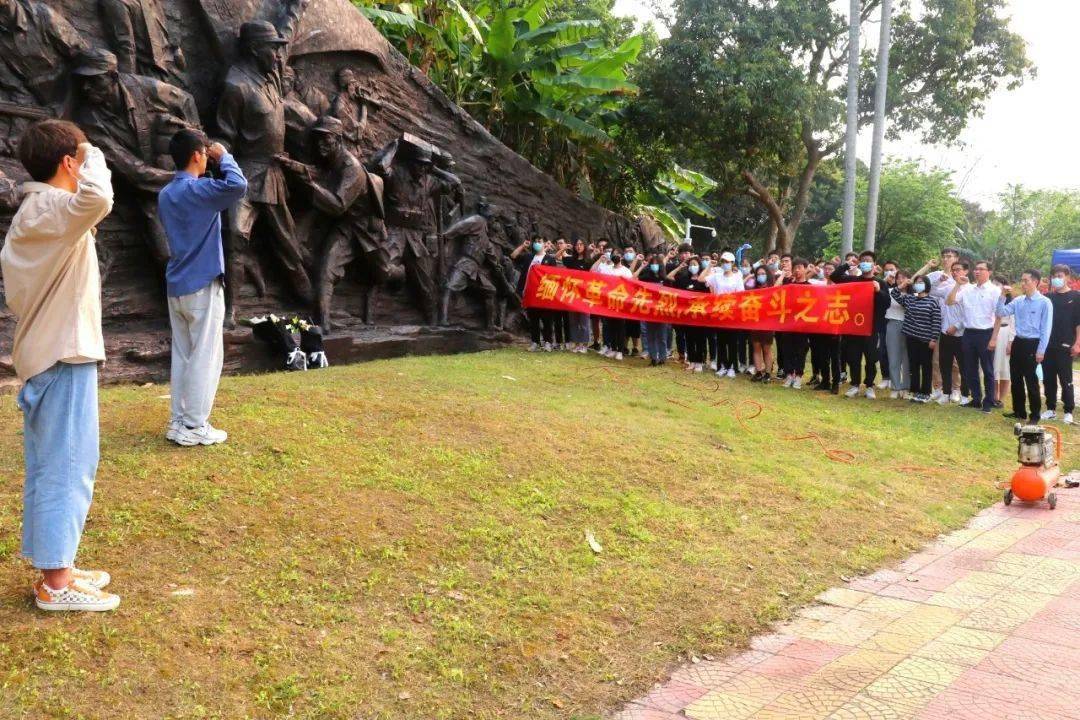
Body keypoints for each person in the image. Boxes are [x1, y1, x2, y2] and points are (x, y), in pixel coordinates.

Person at [1, 120, 119, 611]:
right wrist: (91, 153)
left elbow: (89, 207)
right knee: (66, 466)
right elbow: (99, 200)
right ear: (69, 162)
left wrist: (80, 155)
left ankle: (58, 562)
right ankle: (56, 584)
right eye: (80, 155)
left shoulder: (44, 211)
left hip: (52, 352)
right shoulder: (50, 207)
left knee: (58, 463)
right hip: (61, 354)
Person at [158, 129, 247, 446]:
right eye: (205, 152)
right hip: (202, 283)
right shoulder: (201, 191)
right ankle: (195, 425)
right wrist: (225, 157)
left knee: (183, 355)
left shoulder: (166, 193)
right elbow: (238, 185)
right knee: (205, 356)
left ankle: (178, 421)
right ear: (198, 155)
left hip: (177, 283)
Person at [996, 270, 1053, 423]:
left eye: (1026, 280)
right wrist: (1002, 296)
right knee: (1015, 378)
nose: (1023, 284)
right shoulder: (1018, 300)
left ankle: (1035, 415)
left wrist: (1041, 350)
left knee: (1031, 380)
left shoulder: (1044, 302)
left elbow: (1046, 329)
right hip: (1019, 342)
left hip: (1033, 343)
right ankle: (1019, 411)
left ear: (1036, 282)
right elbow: (1000, 311)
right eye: (1021, 280)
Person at [947, 260, 1003, 413]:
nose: (977, 272)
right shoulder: (968, 289)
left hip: (986, 333)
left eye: (981, 269)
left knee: (988, 369)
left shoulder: (995, 291)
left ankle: (988, 401)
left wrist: (994, 338)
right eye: (976, 269)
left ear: (989, 272)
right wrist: (958, 284)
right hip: (969, 333)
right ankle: (976, 399)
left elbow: (999, 317)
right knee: (970, 369)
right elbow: (949, 301)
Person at [831, 250, 886, 399]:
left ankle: (869, 385)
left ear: (874, 264)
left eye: (868, 260)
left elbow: (886, 304)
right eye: (863, 260)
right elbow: (834, 277)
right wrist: (847, 264)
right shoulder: (854, 280)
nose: (865, 263)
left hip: (872, 328)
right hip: (854, 327)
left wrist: (879, 291)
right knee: (853, 357)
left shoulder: (880, 283)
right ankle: (855, 384)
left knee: (871, 358)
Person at [890, 275, 941, 402]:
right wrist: (903, 284)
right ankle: (915, 391)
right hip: (911, 337)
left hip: (926, 340)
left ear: (927, 285)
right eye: (916, 282)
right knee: (914, 365)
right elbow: (895, 293)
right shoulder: (910, 298)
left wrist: (933, 339)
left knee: (926, 366)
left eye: (921, 282)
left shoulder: (933, 301)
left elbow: (936, 322)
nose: (918, 284)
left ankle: (926, 392)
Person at [1042, 264, 1079, 424]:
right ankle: (1050, 409)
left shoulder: (1076, 296)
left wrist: (1077, 343)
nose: (1057, 279)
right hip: (1047, 344)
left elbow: (1078, 323)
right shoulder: (1048, 297)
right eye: (1054, 276)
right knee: (1048, 378)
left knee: (1066, 379)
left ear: (1067, 278)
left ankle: (1068, 410)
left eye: (1060, 276)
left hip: (1066, 344)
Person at [704, 250, 743, 378]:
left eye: (728, 262)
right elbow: (702, 279)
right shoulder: (717, 276)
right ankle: (722, 366)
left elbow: (741, 296)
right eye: (723, 262)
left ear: (732, 263)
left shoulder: (737, 277)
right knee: (721, 342)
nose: (725, 264)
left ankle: (732, 367)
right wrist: (710, 266)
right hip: (719, 313)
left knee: (732, 342)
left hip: (732, 314)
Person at [594, 249, 633, 360]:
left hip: (621, 303)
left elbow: (630, 286)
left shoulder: (626, 271)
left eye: (618, 254)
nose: (616, 256)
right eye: (614, 254)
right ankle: (613, 348)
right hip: (609, 303)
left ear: (621, 257)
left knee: (620, 326)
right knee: (610, 326)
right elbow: (594, 274)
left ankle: (620, 350)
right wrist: (599, 260)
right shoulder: (607, 269)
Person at [780, 258, 812, 388]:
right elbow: (776, 290)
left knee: (800, 350)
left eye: (800, 267)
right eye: (795, 268)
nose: (797, 270)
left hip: (803, 325)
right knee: (787, 349)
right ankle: (788, 375)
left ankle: (798, 376)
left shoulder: (810, 286)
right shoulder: (788, 284)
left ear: (805, 269)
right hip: (788, 323)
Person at [561, 237, 593, 353]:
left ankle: (584, 344)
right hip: (572, 294)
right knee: (573, 320)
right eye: (577, 244)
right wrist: (564, 248)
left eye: (581, 244)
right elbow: (557, 257)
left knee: (584, 320)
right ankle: (576, 343)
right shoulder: (571, 260)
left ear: (584, 246)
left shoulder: (589, 261)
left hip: (585, 295)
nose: (579, 246)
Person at [636, 253, 668, 366]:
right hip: (649, 310)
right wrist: (641, 267)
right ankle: (653, 357)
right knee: (650, 335)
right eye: (652, 264)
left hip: (662, 311)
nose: (655, 266)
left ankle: (663, 357)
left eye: (657, 264)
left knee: (662, 336)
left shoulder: (665, 279)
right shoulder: (645, 278)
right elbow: (634, 279)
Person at [883, 268, 910, 399]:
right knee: (893, 357)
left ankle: (906, 387)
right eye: (898, 277)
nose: (900, 279)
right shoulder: (890, 292)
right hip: (893, 324)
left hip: (909, 326)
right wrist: (899, 286)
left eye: (904, 277)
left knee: (907, 359)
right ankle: (895, 386)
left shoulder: (914, 295)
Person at [748, 265, 776, 383]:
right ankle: (758, 371)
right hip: (755, 322)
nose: (760, 276)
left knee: (766, 348)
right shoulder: (753, 289)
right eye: (758, 274)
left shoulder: (772, 288)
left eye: (763, 274)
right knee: (756, 347)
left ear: (768, 275)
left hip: (768, 322)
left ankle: (768, 373)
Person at [992, 274, 1015, 409]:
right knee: (993, 368)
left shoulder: (1011, 303)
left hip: (1006, 335)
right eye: (993, 283)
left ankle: (1000, 398)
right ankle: (993, 396)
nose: (995, 286)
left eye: (998, 283)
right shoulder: (991, 300)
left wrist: (1010, 342)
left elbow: (1014, 324)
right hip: (993, 334)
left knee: (1005, 369)